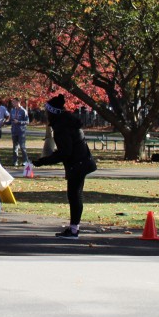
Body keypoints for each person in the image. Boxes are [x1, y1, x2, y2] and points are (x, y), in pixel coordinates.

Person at [32, 94, 97, 239]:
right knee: (75, 195)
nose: (45, 114)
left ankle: (74, 230)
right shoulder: (67, 122)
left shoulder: (62, 127)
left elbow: (65, 152)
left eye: (47, 111)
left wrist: (43, 161)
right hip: (81, 161)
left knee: (74, 196)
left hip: (78, 164)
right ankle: (74, 228)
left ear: (52, 112)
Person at [9, 97, 30, 166]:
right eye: (12, 102)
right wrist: (3, 123)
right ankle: (15, 161)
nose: (13, 103)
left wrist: (19, 122)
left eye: (14, 102)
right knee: (15, 147)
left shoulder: (23, 111)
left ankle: (25, 161)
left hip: (21, 131)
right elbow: (10, 121)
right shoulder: (12, 110)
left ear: (19, 102)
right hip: (14, 131)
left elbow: (27, 121)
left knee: (22, 147)